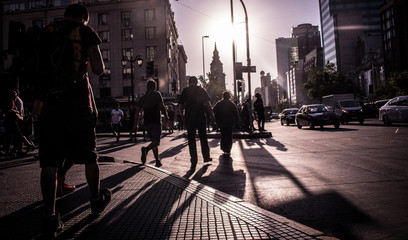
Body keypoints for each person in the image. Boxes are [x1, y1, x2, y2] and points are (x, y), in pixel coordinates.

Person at [31, 4, 111, 238]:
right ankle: (95, 200)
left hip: (50, 106)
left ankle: (49, 217)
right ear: (84, 18)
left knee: (49, 163)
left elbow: (36, 68)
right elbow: (98, 68)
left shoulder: (46, 32)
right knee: (90, 156)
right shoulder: (85, 31)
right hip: (78, 106)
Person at [178, 76, 215, 171]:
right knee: (203, 137)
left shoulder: (185, 91)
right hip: (200, 117)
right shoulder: (201, 90)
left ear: (189, 82)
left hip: (189, 118)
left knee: (191, 139)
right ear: (197, 82)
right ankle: (206, 157)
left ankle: (193, 161)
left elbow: (181, 105)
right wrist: (212, 115)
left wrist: (182, 116)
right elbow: (207, 104)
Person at [133, 79, 169, 167]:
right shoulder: (157, 94)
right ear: (155, 87)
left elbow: (137, 112)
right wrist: (166, 116)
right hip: (156, 122)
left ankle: (157, 160)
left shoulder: (142, 98)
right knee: (156, 142)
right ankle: (146, 149)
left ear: (147, 87)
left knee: (154, 141)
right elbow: (162, 106)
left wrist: (135, 124)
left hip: (147, 123)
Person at [213, 92, 239, 156]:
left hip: (222, 122)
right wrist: (236, 121)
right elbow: (236, 113)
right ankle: (228, 149)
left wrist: (217, 119)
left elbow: (214, 110)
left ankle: (224, 148)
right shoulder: (232, 104)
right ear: (229, 96)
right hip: (229, 122)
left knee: (223, 135)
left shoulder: (219, 104)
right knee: (229, 135)